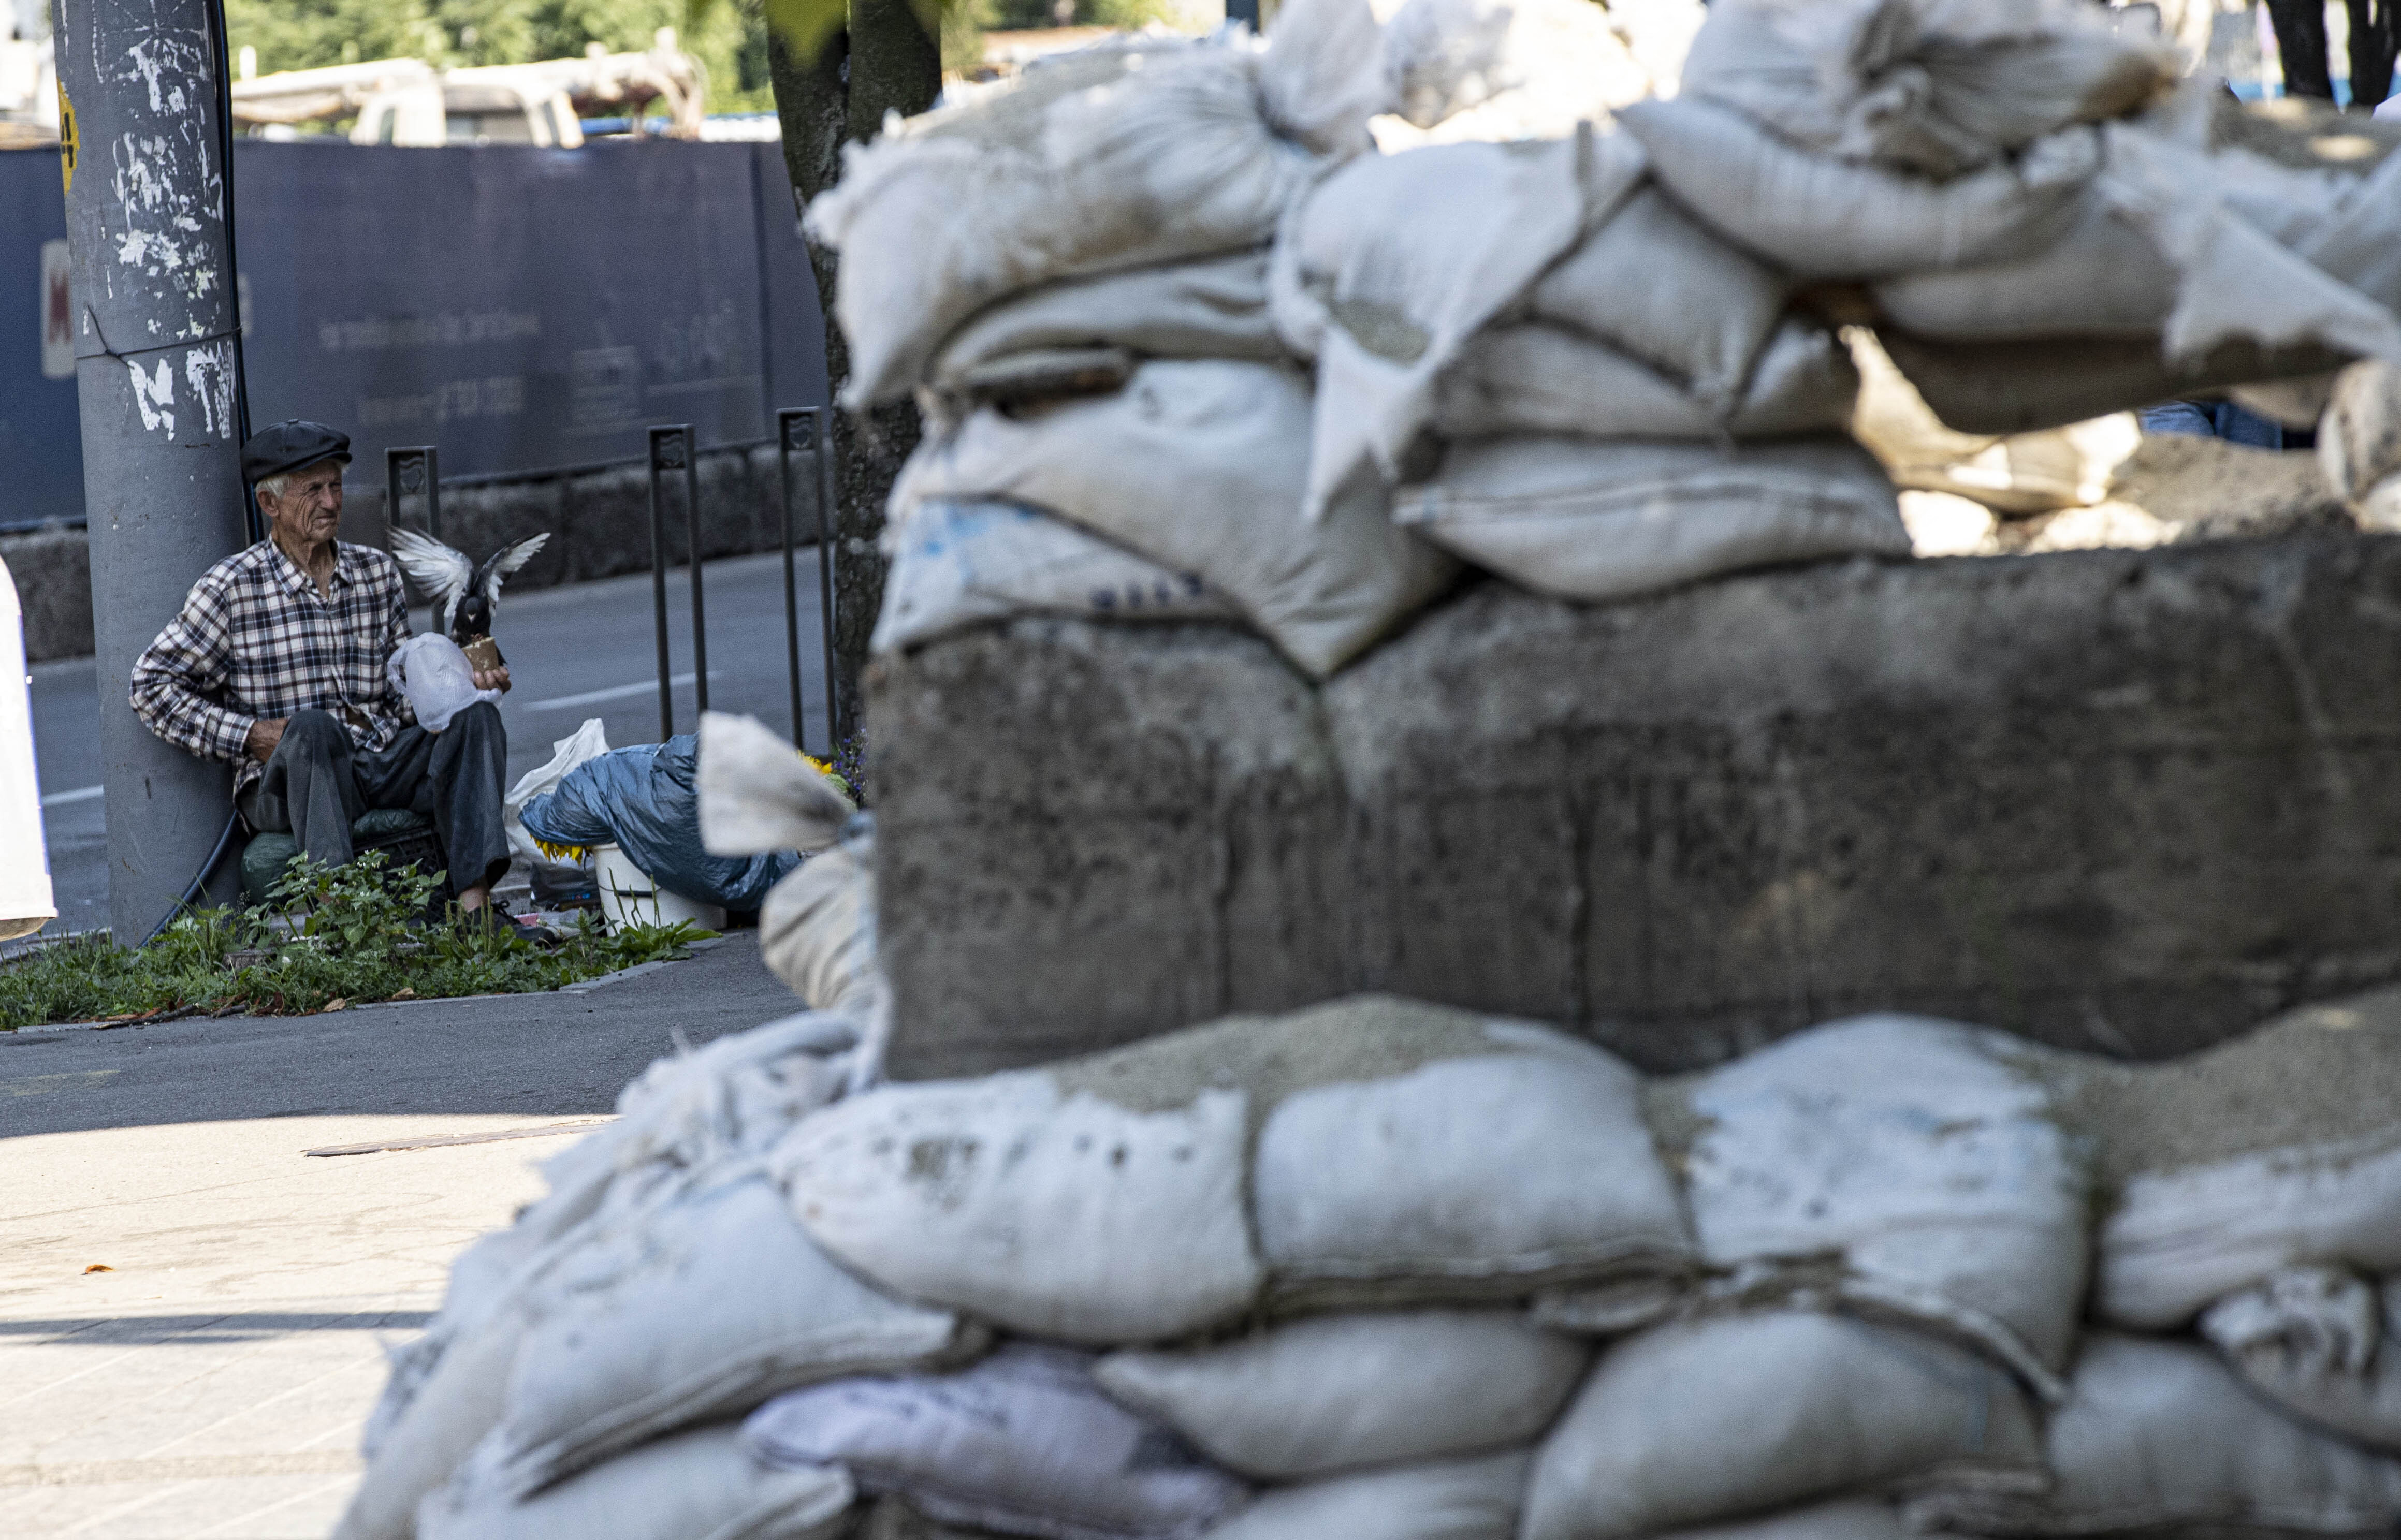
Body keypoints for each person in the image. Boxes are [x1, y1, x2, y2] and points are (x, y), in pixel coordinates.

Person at [129, 420, 515, 915]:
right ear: (270, 504)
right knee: (313, 728)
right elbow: (151, 685)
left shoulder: (376, 573)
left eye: (336, 485)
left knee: (476, 720)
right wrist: (251, 734)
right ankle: (341, 919)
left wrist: (463, 685)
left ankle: (475, 912)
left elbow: (402, 698)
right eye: (313, 490)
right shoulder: (231, 588)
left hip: (374, 761)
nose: (332, 503)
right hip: (289, 776)